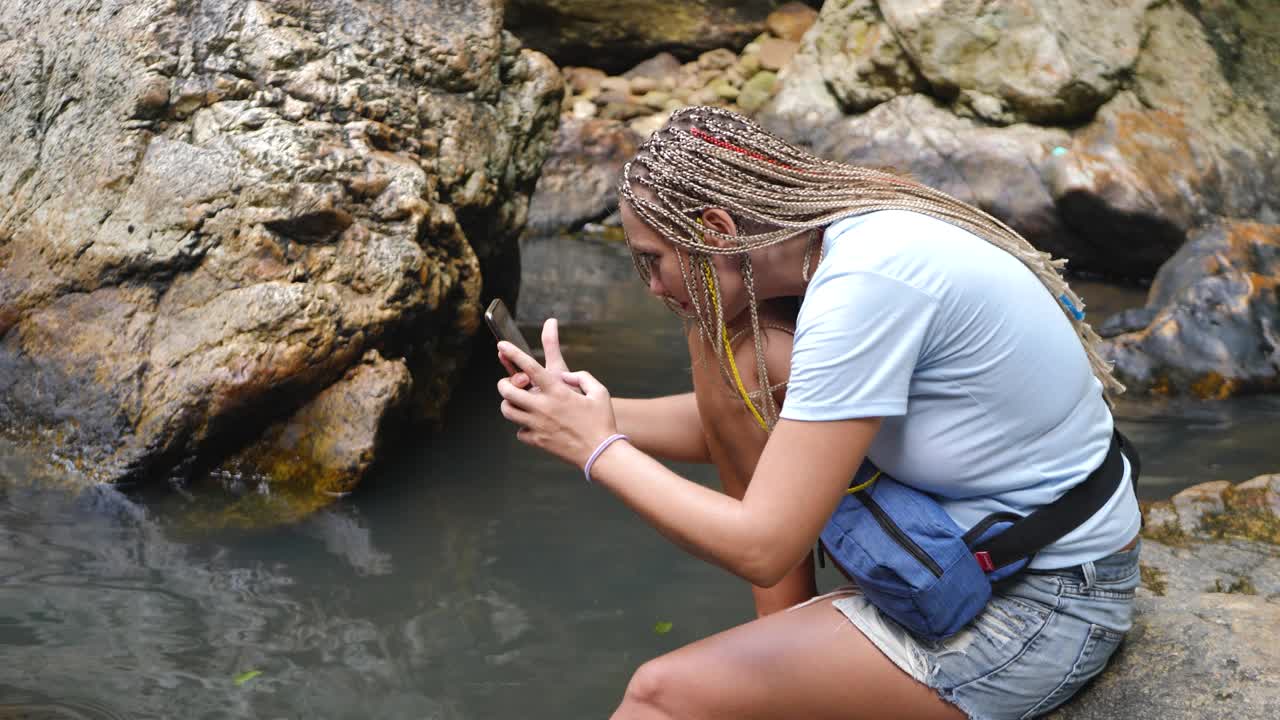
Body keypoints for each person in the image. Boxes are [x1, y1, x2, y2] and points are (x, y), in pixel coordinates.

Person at [495, 106, 1141, 720]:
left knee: (661, 695)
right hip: (992, 556)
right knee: (729, 347)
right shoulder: (846, 234)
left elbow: (763, 545)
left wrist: (599, 453)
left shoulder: (863, 290)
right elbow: (749, 421)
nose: (654, 289)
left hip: (1048, 604)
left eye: (653, 262)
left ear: (717, 232)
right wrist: (592, 415)